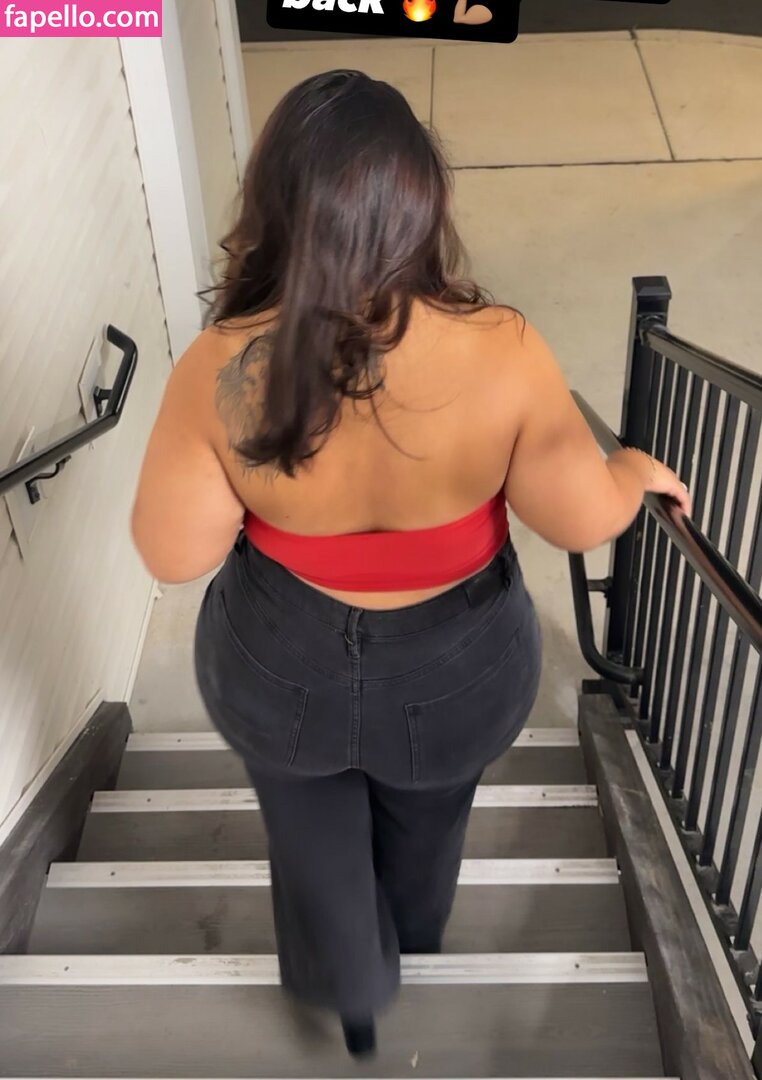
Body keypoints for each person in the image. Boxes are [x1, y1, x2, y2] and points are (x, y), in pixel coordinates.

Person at [131, 69, 691, 1059]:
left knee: (308, 828)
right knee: (431, 819)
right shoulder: (503, 348)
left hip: (278, 657)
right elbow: (579, 520)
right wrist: (630, 471)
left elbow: (175, 553)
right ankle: (419, 940)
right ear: (421, 206)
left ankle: (352, 987)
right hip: (459, 664)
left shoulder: (219, 363)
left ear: (273, 205)